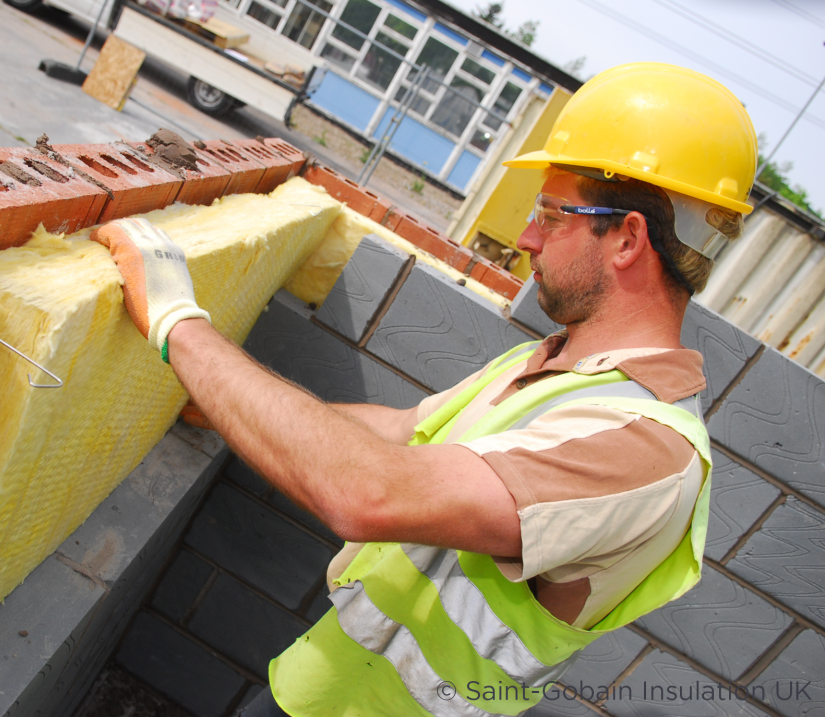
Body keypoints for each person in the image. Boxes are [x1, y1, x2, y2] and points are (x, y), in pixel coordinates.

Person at [92, 62, 757, 716]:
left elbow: (373, 491)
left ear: (628, 238)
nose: (526, 238)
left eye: (552, 216)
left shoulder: (645, 450)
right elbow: (405, 431)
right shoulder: (557, 364)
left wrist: (178, 322)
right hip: (325, 686)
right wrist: (225, 404)